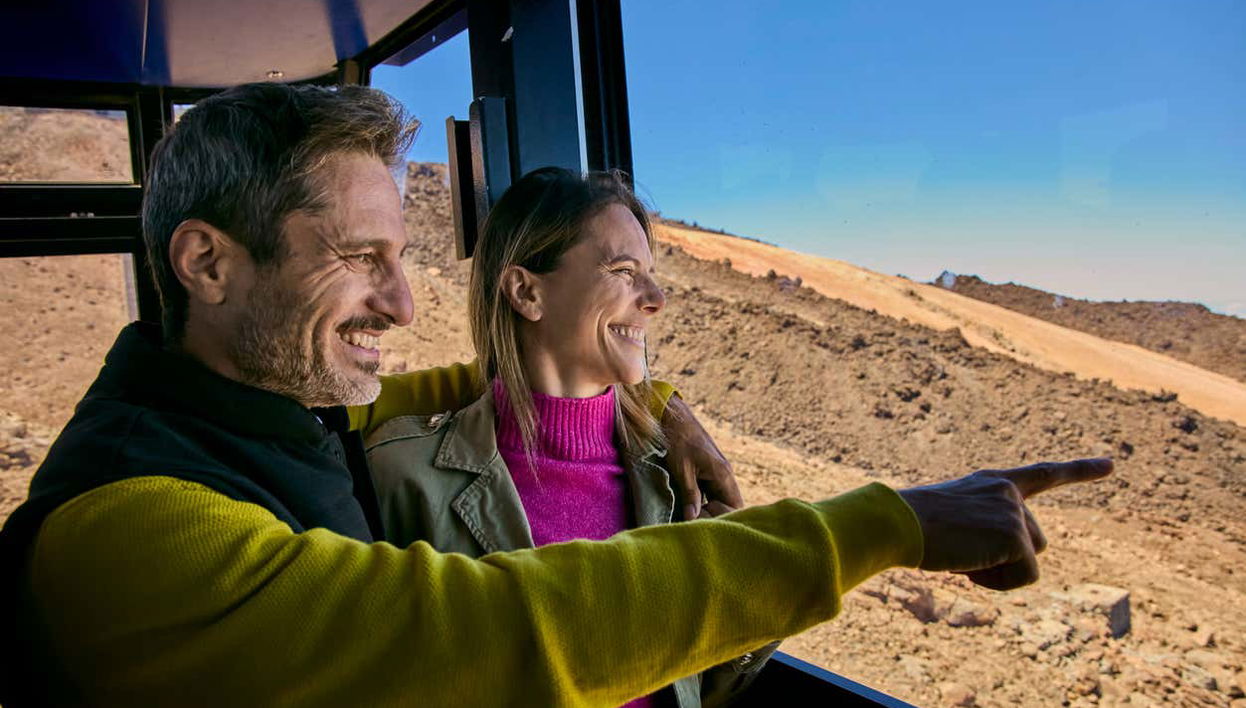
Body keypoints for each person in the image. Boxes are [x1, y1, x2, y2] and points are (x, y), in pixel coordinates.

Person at [0, 82, 1111, 707]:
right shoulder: (135, 527)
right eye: (358, 258)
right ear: (207, 264)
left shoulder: (259, 412)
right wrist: (884, 524)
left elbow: (478, 389)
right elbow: (488, 633)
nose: (403, 304)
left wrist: (656, 403)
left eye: (403, 259)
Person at [366, 166, 779, 707]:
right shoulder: (404, 478)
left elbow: (700, 685)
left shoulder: (676, 477)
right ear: (526, 292)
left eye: (651, 275)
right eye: (623, 270)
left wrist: (749, 605)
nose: (656, 298)